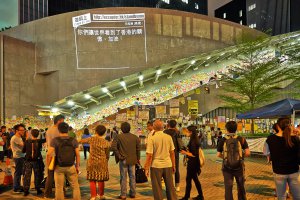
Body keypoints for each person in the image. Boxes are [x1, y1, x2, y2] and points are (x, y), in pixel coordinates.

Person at [266, 118, 300, 200]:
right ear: (290, 125)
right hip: (294, 171)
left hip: (278, 171)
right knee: (297, 196)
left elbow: (266, 153)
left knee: (281, 196)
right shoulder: (296, 139)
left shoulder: (270, 139)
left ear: (277, 126)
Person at [46, 122, 81, 200]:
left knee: (59, 187)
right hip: (71, 166)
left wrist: (49, 165)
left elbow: (48, 154)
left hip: (59, 167)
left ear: (59, 130)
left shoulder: (55, 140)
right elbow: (78, 154)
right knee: (75, 186)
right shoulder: (73, 140)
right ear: (68, 130)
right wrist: (77, 166)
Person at [144, 120, 177, 200]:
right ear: (163, 127)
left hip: (156, 166)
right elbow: (172, 153)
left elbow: (149, 155)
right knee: (170, 186)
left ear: (154, 128)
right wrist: (174, 165)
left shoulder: (152, 138)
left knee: (157, 187)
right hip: (168, 164)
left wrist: (146, 167)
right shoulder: (168, 137)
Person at [217, 121, 250, 200]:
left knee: (228, 188)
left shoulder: (223, 140)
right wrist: (240, 158)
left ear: (226, 129)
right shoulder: (241, 139)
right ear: (236, 129)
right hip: (239, 167)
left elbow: (218, 154)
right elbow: (248, 153)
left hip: (227, 167)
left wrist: (226, 158)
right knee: (241, 187)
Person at [80, 125, 111, 200]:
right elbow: (107, 154)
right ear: (104, 133)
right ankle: (101, 195)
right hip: (102, 163)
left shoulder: (91, 139)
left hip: (92, 162)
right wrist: (106, 160)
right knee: (101, 179)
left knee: (92, 179)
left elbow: (81, 141)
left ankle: (93, 196)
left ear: (95, 131)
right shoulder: (106, 142)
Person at [112, 122, 140, 200]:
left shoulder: (118, 137)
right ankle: (133, 193)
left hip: (123, 160)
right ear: (129, 128)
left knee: (123, 177)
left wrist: (119, 155)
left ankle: (123, 195)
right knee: (132, 177)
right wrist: (138, 159)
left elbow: (113, 147)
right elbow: (138, 149)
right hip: (133, 160)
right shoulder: (135, 137)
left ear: (122, 129)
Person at [180, 125, 204, 200]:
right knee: (195, 180)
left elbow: (194, 154)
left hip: (193, 164)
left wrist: (185, 152)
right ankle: (200, 196)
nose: (186, 133)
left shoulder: (193, 141)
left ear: (191, 132)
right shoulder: (194, 139)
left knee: (189, 180)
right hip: (194, 163)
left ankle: (187, 197)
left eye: (187, 131)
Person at [44, 114, 65, 199]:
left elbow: (47, 143)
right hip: (57, 155)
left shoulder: (49, 130)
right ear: (59, 121)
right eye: (62, 121)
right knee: (60, 174)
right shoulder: (58, 130)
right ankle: (61, 193)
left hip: (51, 155)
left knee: (50, 175)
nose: (63, 123)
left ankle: (47, 194)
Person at [22, 129, 46, 196]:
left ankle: (26, 191)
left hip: (28, 161)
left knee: (27, 176)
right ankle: (38, 189)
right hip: (37, 161)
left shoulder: (27, 141)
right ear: (38, 134)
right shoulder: (39, 141)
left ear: (31, 134)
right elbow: (47, 139)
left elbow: (23, 151)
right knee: (37, 175)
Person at [164, 119, 183, 192]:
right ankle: (177, 186)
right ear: (175, 125)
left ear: (168, 125)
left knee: (167, 170)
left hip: (166, 152)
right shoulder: (177, 132)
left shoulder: (165, 132)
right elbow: (179, 143)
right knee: (176, 169)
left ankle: (169, 185)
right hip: (175, 153)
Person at [10, 124, 26, 193]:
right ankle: (16, 188)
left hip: (20, 156)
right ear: (17, 130)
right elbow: (24, 146)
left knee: (19, 172)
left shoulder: (19, 137)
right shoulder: (15, 138)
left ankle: (18, 186)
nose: (23, 131)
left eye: (24, 130)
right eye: (21, 130)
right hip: (18, 157)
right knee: (18, 172)